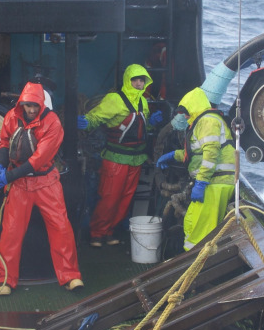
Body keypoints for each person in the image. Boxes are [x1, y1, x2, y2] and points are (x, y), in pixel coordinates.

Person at [0, 82, 84, 295]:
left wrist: (8, 177)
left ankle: (70, 276)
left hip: (46, 182)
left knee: (61, 228)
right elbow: (4, 142)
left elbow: (38, 159)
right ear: (22, 103)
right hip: (19, 185)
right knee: (10, 232)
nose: (31, 110)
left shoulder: (53, 124)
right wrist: (2, 164)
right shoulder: (12, 117)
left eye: (35, 106)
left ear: (42, 104)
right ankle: (4, 279)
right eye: (28, 105)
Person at [77, 64, 163, 247]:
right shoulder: (114, 99)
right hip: (115, 158)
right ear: (128, 80)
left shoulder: (144, 102)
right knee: (109, 197)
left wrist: (151, 124)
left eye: (142, 80)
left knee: (125, 199)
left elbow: (143, 128)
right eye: (136, 79)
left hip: (136, 158)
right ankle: (97, 233)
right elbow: (96, 117)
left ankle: (110, 232)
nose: (139, 83)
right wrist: (86, 122)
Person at [157, 87, 235, 251]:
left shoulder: (207, 121)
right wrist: (172, 155)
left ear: (192, 108)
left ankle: (196, 267)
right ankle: (191, 264)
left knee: (200, 234)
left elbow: (210, 154)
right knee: (191, 221)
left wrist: (201, 182)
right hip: (211, 182)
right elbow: (196, 152)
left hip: (215, 183)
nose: (184, 116)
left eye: (185, 111)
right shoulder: (202, 122)